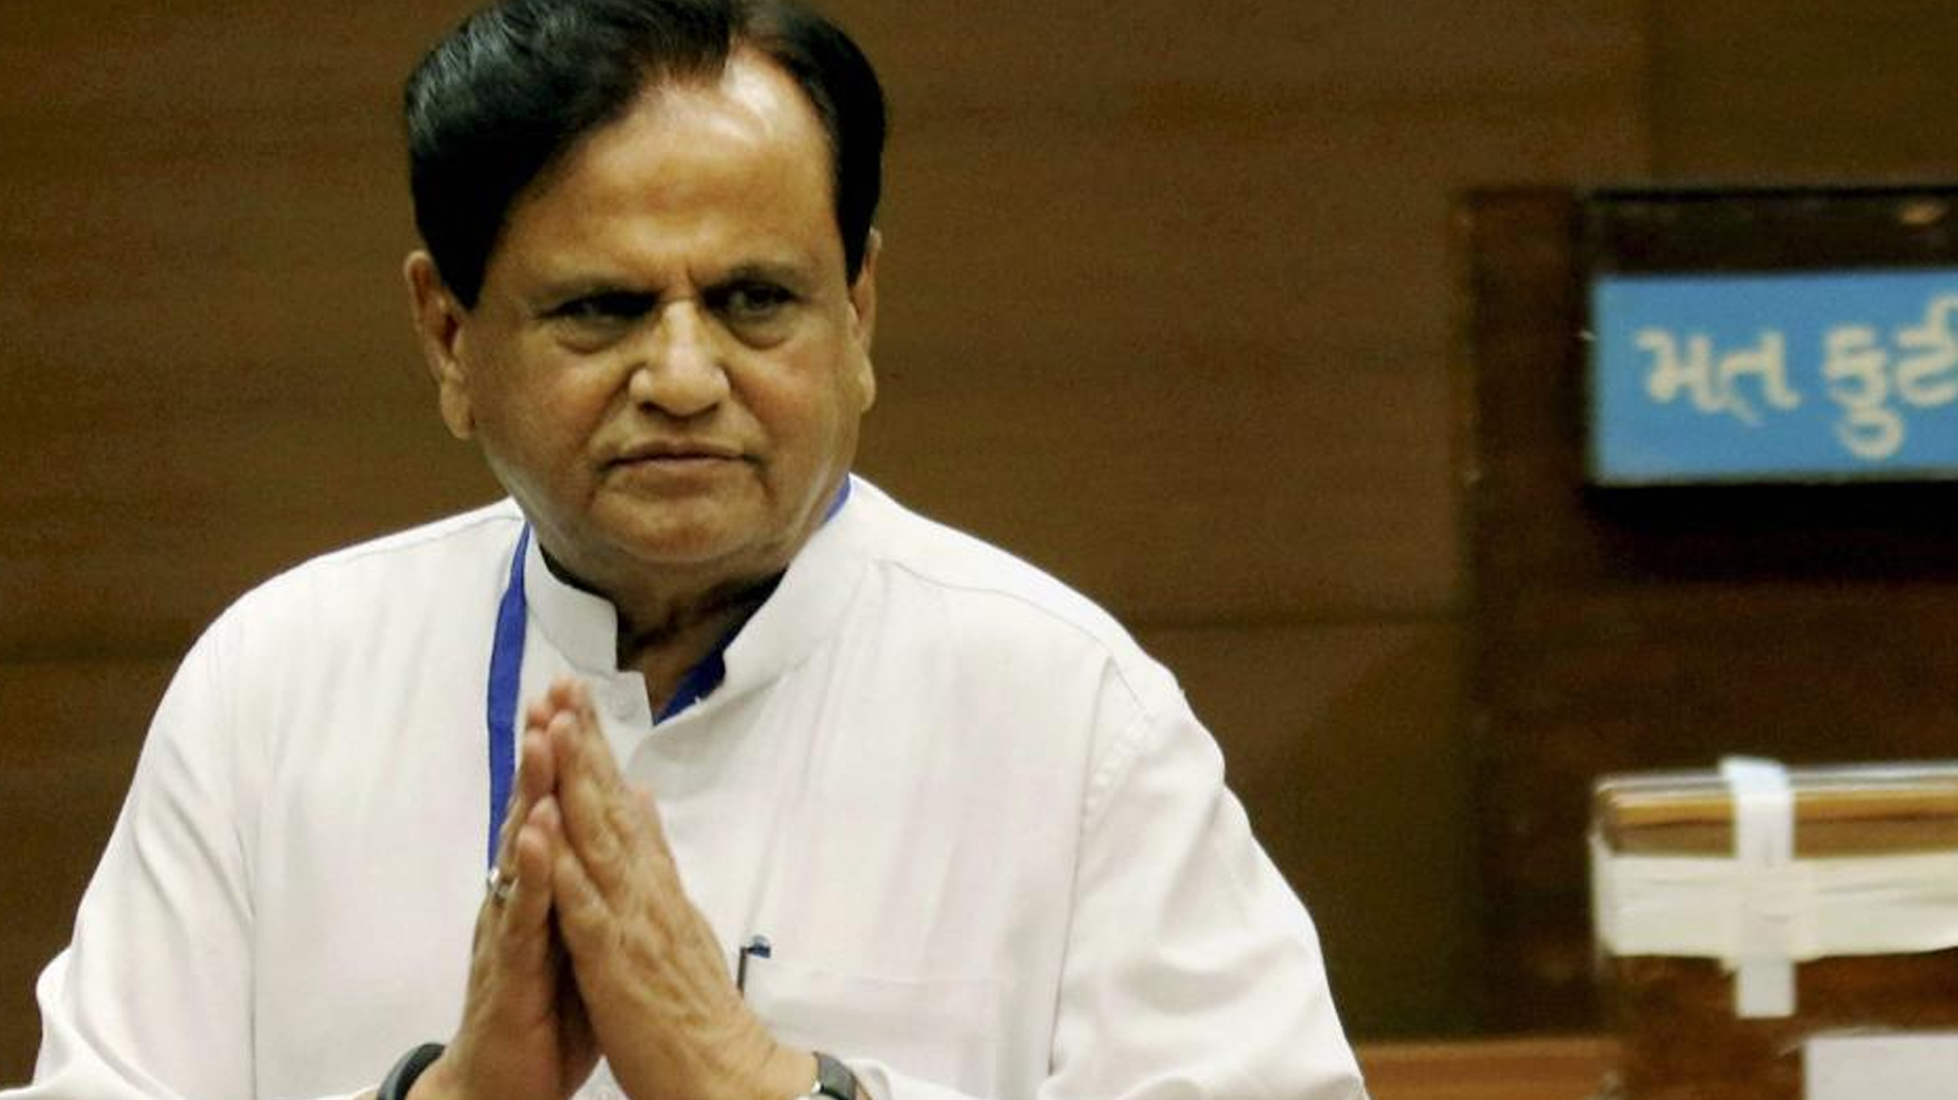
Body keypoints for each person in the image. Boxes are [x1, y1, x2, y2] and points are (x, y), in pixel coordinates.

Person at [7, 1, 1367, 1098]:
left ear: (858, 315)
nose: (680, 376)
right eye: (601, 309)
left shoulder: (1071, 714)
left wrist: (766, 1091)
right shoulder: (274, 689)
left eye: (753, 300)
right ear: (449, 338)